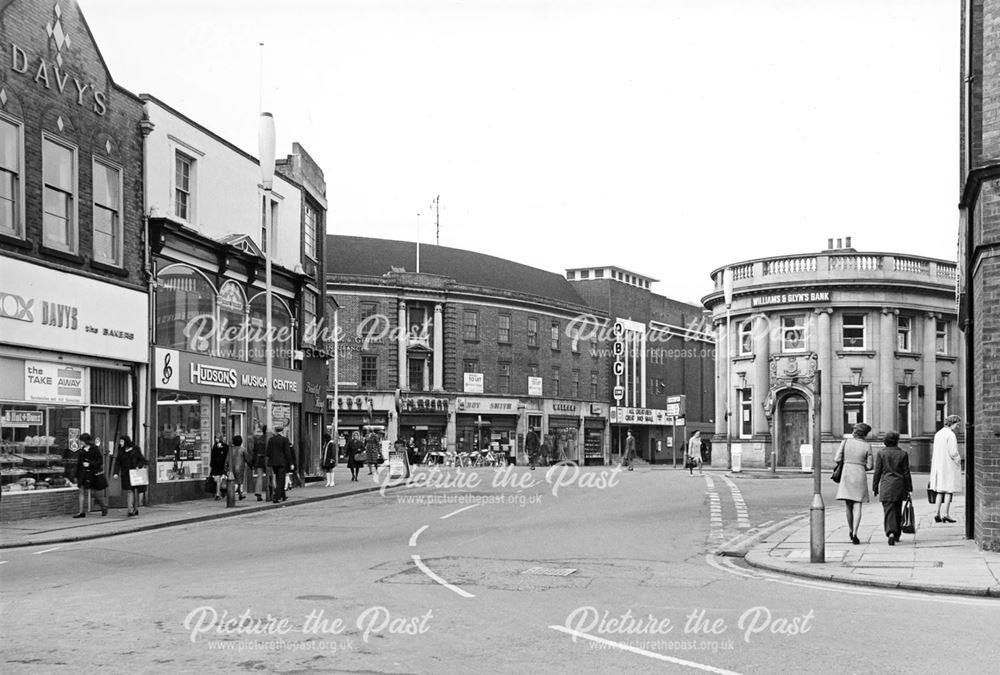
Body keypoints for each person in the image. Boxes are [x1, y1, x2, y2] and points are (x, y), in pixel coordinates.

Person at [834, 422, 874, 545]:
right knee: (858, 506)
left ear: (855, 432)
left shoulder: (845, 442)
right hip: (859, 474)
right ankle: (856, 532)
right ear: (865, 434)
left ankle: (850, 530)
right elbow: (869, 466)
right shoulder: (867, 446)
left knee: (848, 505)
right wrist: (860, 464)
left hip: (847, 473)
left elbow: (836, 459)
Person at [872, 430, 913, 546]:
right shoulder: (903, 454)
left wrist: (875, 487)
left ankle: (890, 532)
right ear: (896, 441)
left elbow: (878, 472)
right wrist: (909, 487)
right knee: (897, 509)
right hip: (899, 485)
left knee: (888, 510)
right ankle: (897, 534)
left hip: (886, 484)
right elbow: (906, 472)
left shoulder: (881, 453)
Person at [929, 415, 963, 524]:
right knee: (949, 490)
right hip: (948, 465)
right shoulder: (950, 435)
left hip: (939, 465)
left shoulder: (938, 434)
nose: (958, 427)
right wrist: (958, 460)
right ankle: (946, 514)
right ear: (952, 423)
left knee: (940, 491)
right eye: (957, 424)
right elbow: (953, 452)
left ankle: (936, 513)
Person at [111, 435, 147, 517]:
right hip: (126, 473)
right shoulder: (121, 450)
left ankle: (135, 508)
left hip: (135, 473)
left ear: (126, 442)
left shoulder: (135, 449)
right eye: (120, 442)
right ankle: (130, 509)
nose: (120, 443)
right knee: (130, 491)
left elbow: (142, 459)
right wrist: (115, 473)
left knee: (134, 491)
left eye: (122, 441)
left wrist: (139, 466)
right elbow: (118, 462)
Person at [74, 433, 108, 518]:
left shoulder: (94, 449)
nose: (81, 443)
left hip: (92, 474)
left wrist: (90, 464)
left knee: (94, 493)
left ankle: (103, 506)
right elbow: (79, 463)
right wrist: (76, 475)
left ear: (86, 441)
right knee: (81, 491)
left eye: (81, 441)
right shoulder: (81, 450)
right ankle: (81, 512)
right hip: (82, 473)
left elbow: (100, 461)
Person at [266, 426, 295, 503]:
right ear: (282, 431)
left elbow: (268, 452)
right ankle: (277, 496)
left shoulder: (271, 440)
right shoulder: (284, 440)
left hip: (273, 463)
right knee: (281, 480)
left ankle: (283, 496)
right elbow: (287, 452)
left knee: (277, 478)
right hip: (282, 462)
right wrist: (291, 463)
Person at [224, 435, 251, 501]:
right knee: (239, 481)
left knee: (234, 480)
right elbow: (248, 458)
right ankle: (233, 494)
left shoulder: (230, 449)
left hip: (231, 467)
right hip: (240, 467)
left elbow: (227, 459)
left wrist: (225, 466)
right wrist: (251, 466)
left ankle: (239, 493)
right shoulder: (243, 449)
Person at [252, 426, 270, 501]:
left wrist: (254, 461)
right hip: (267, 459)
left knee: (259, 477)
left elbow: (254, 451)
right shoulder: (269, 439)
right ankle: (272, 492)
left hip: (259, 459)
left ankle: (258, 493)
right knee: (271, 476)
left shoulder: (258, 439)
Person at [210, 434, 229, 501]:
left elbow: (212, 456)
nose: (216, 439)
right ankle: (219, 493)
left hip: (216, 465)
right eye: (216, 437)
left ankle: (218, 493)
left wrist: (211, 465)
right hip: (221, 465)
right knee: (219, 479)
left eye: (217, 438)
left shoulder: (215, 446)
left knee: (217, 479)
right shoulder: (226, 446)